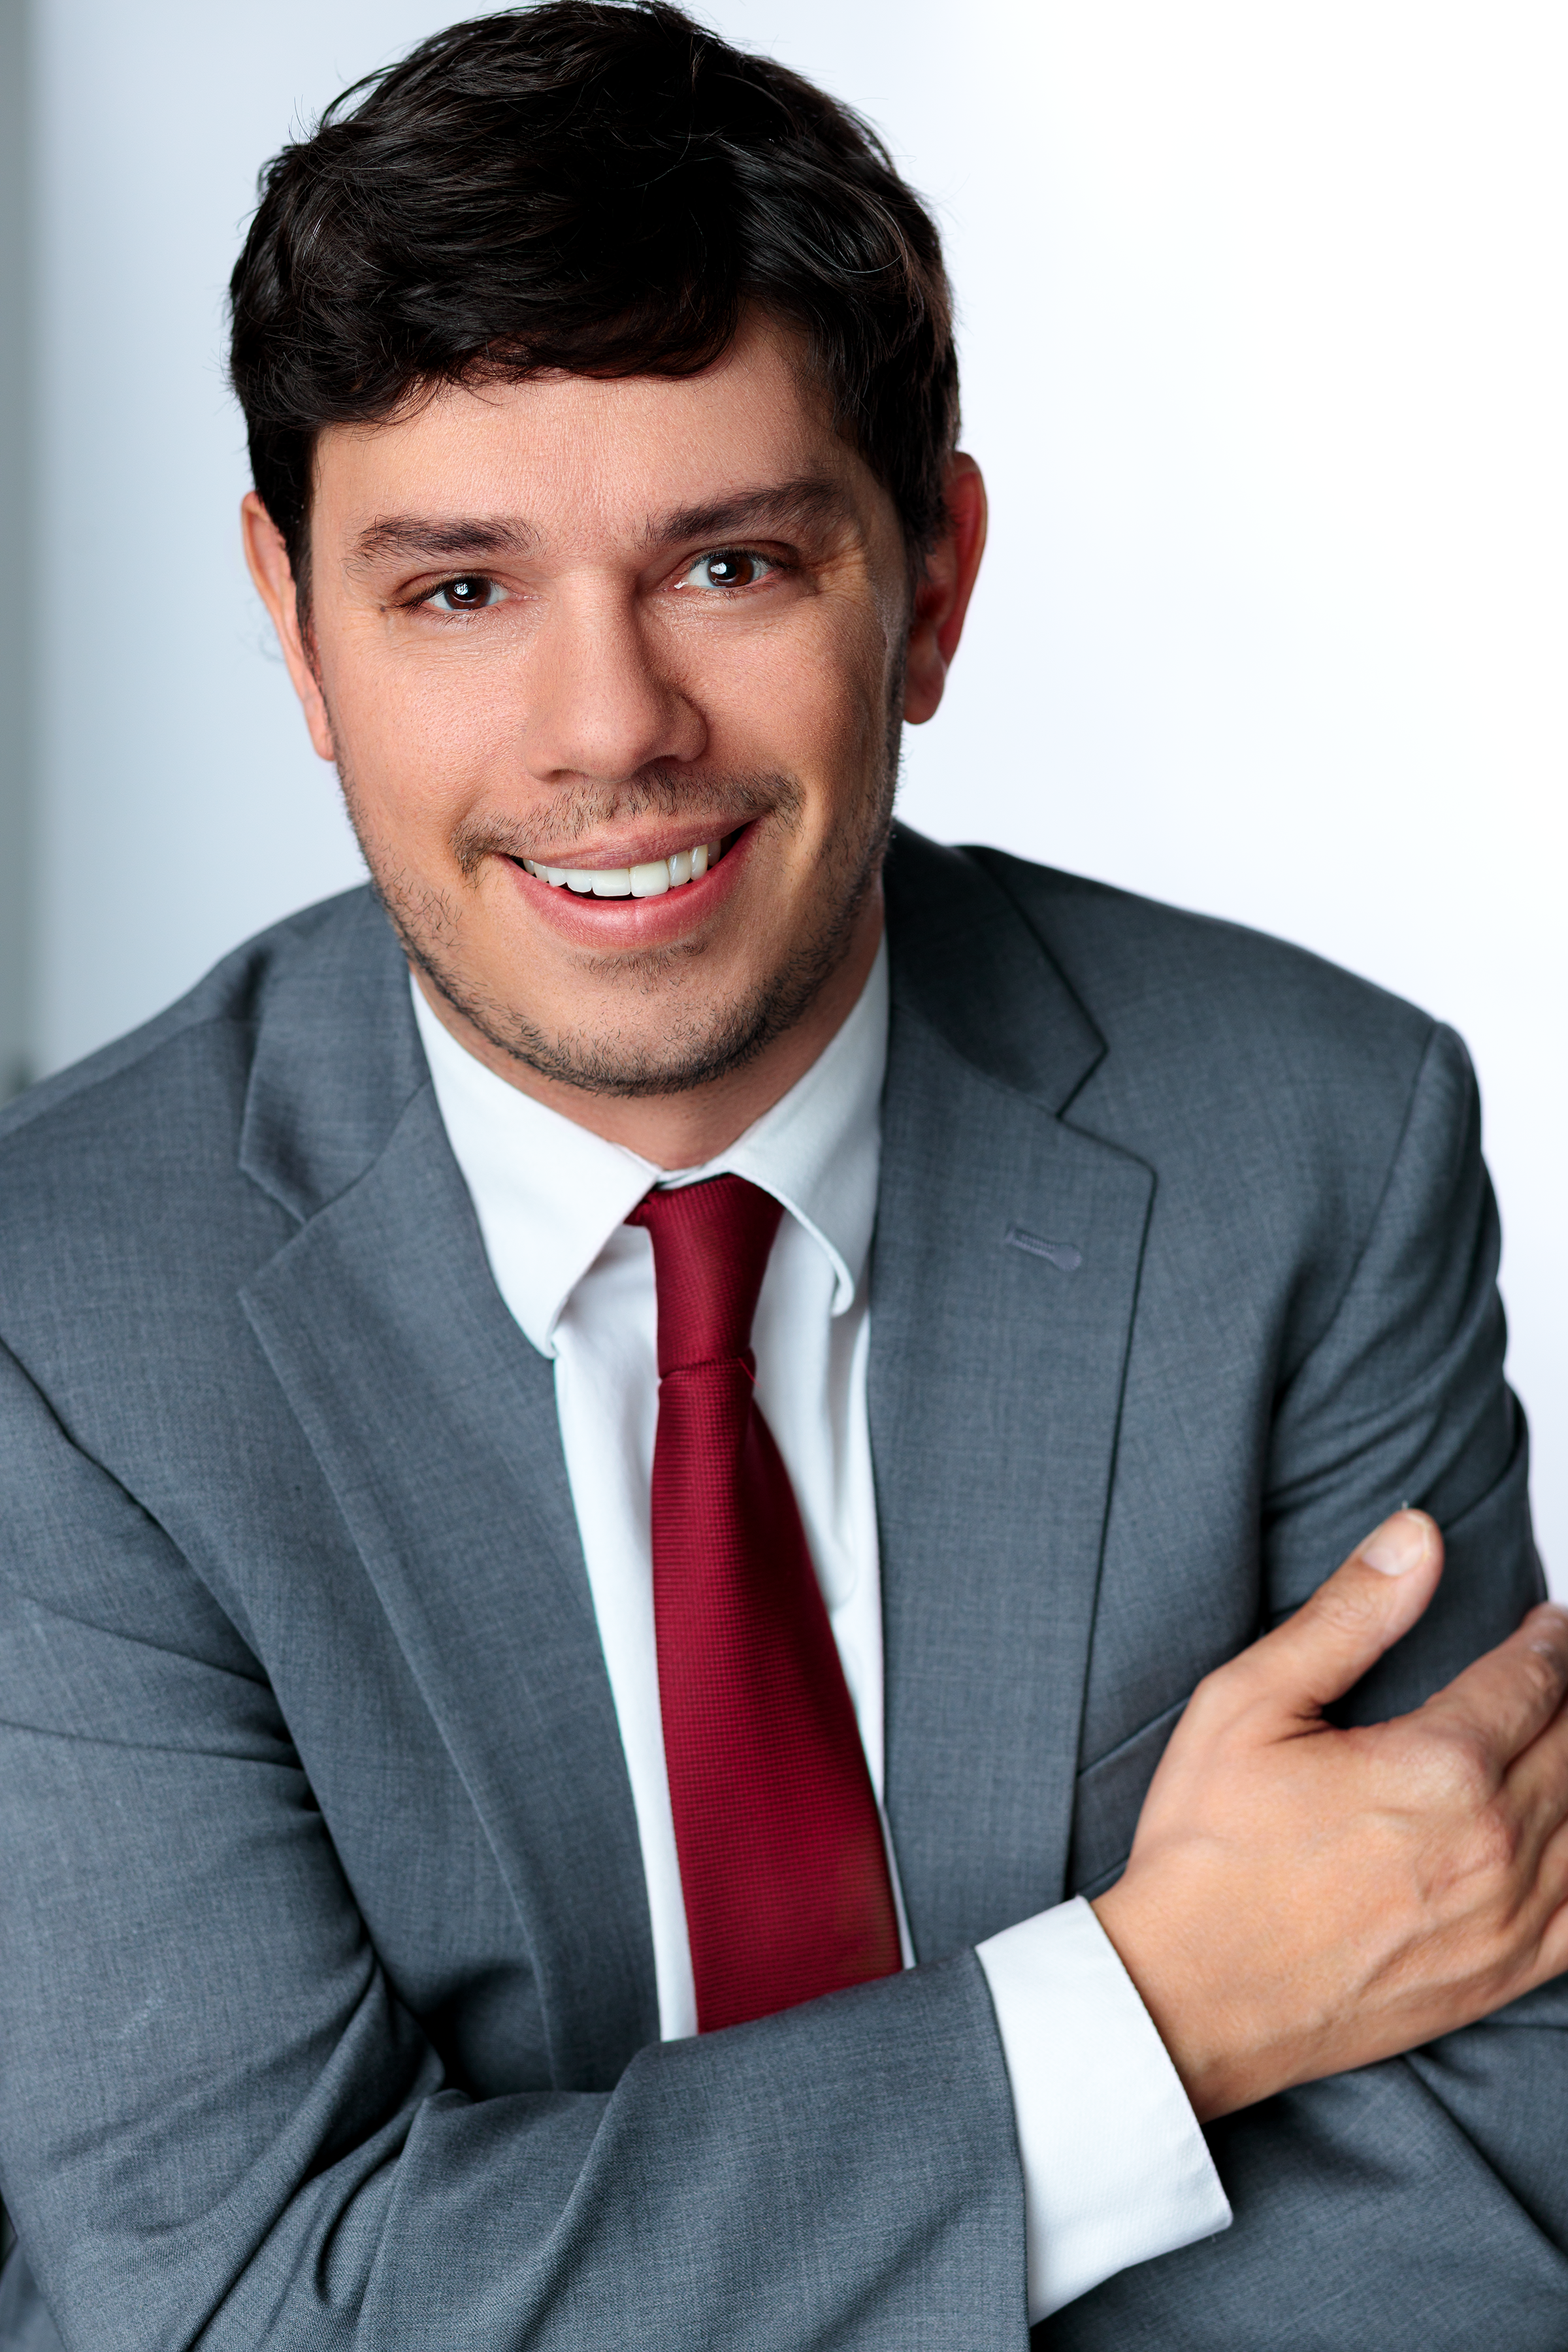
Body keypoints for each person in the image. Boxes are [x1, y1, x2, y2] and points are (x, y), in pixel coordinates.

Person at [0, 5, 1565, 2344]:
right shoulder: (60, 1318)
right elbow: (230, 2302)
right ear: (290, 620)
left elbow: (1468, 2185)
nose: (608, 727)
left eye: (728, 566)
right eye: (458, 591)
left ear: (929, 581)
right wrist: (1156, 2012)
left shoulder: (1313, 1145)